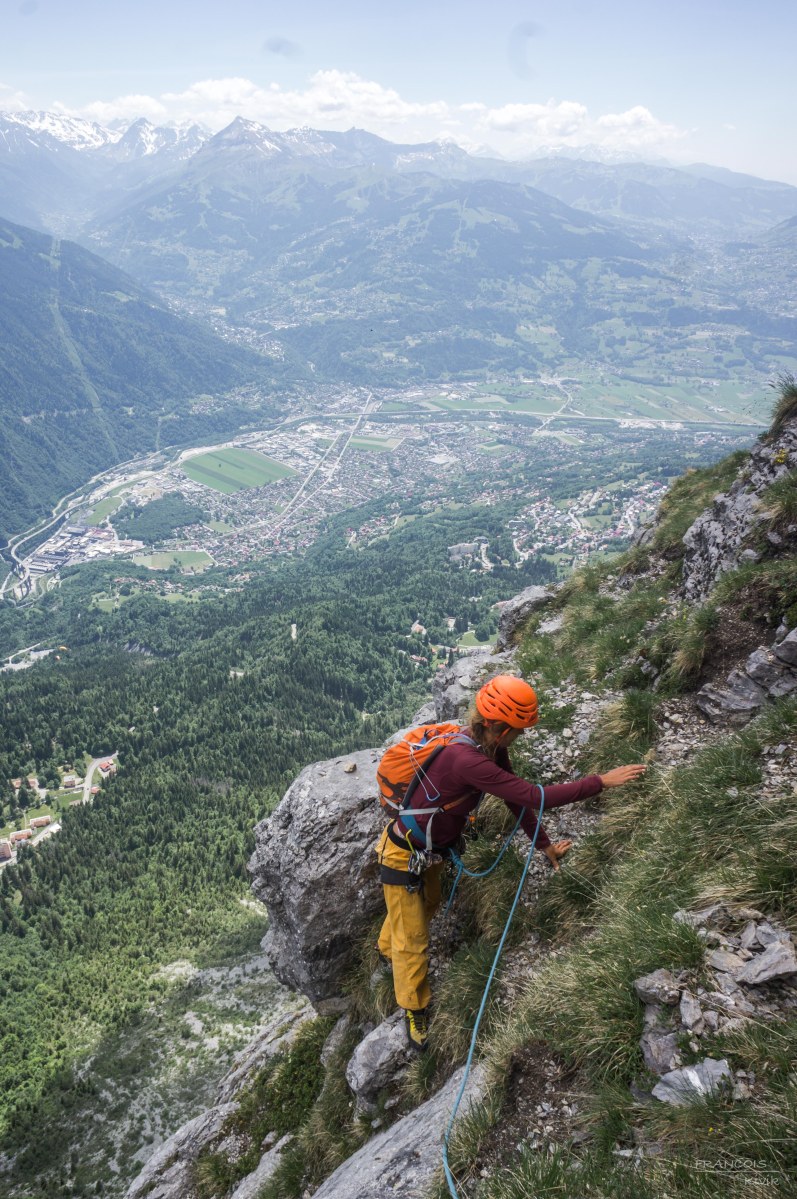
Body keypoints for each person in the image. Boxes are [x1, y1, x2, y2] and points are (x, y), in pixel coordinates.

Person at [375, 674, 647, 1050]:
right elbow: (535, 796)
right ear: (500, 728)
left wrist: (544, 845)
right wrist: (600, 781)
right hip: (404, 854)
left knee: (428, 903)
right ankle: (414, 1007)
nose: (521, 735)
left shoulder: (488, 748)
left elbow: (516, 799)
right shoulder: (467, 759)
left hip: (428, 850)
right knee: (414, 938)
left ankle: (385, 948)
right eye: (519, 729)